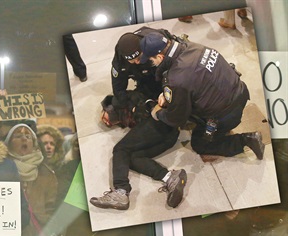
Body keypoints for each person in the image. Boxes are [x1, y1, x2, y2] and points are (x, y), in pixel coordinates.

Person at [89, 29, 188, 211]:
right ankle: (171, 178)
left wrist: (156, 102)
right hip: (166, 131)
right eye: (131, 60)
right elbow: (119, 90)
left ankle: (120, 191)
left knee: (120, 149)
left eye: (139, 57)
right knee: (132, 157)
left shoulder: (156, 46)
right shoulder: (121, 65)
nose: (136, 62)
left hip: (161, 118)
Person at [140, 32, 265, 161]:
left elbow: (176, 118)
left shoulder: (175, 78)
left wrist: (158, 112)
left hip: (227, 114)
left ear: (160, 57)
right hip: (240, 92)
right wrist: (169, 93)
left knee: (200, 144)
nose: (152, 63)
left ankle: (246, 140)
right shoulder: (193, 46)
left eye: (151, 60)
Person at [5, 124, 59, 236]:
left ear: (35, 144)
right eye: (18, 136)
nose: (24, 138)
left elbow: (51, 208)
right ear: (9, 143)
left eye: (28, 136)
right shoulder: (0, 169)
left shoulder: (47, 174)